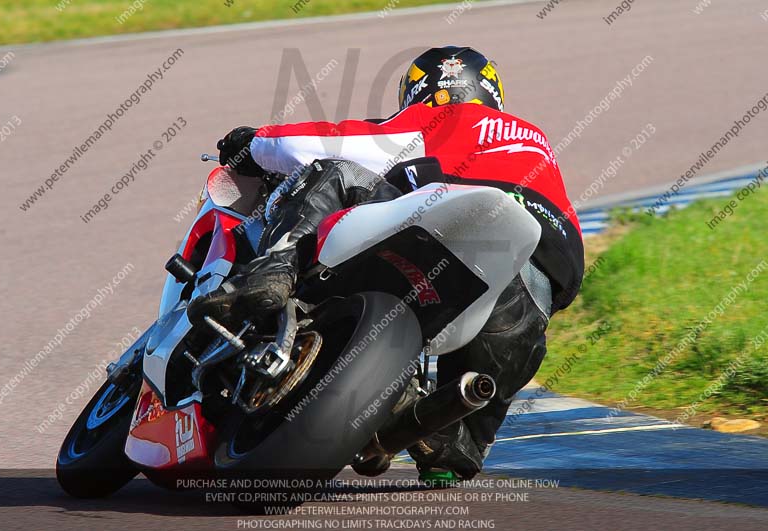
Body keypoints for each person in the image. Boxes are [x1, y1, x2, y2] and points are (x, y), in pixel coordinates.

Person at [188, 46, 584, 482]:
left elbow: (321, 144)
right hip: (538, 268)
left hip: (444, 224)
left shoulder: (441, 118)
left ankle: (270, 275)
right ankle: (446, 441)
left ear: (418, 93)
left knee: (335, 171)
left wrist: (253, 144)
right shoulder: (535, 140)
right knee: (467, 427)